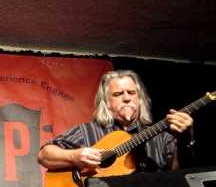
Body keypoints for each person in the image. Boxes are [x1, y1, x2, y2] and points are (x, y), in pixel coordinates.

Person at [38, 69, 194, 174]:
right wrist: (75, 157)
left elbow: (177, 175)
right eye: (118, 94)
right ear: (106, 102)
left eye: (132, 93)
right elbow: (44, 155)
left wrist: (185, 138)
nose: (126, 98)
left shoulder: (162, 138)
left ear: (140, 100)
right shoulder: (86, 132)